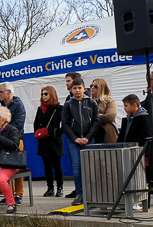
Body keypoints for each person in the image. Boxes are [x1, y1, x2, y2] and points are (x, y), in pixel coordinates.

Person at [62, 77, 100, 205]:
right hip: (74, 141)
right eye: (75, 88)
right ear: (71, 90)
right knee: (77, 166)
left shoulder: (92, 103)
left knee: (90, 166)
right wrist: (75, 138)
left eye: (79, 88)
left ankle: (92, 194)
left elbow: (96, 121)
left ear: (84, 89)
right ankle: (80, 194)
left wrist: (88, 137)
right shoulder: (68, 104)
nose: (77, 90)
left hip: (89, 139)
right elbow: (65, 124)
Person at [33, 86, 64, 197]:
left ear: (51, 94)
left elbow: (64, 124)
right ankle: (50, 188)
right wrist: (37, 132)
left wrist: (57, 132)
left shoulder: (59, 108)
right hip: (43, 140)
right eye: (42, 94)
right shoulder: (40, 109)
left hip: (55, 140)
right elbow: (36, 123)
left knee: (57, 166)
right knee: (47, 166)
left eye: (46, 94)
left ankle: (60, 188)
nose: (44, 96)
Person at [0, 82, 26, 206]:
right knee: (5, 167)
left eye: (1, 92)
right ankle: (9, 194)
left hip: (16, 141)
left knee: (16, 167)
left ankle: (18, 194)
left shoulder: (18, 105)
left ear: (9, 92)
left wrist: (4, 130)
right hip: (4, 141)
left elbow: (18, 124)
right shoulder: (1, 105)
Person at [90, 78, 118, 143]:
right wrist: (100, 115)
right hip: (92, 133)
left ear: (102, 88)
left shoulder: (109, 101)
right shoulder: (88, 102)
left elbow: (110, 116)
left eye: (96, 86)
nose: (92, 88)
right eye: (91, 86)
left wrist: (93, 117)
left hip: (106, 133)